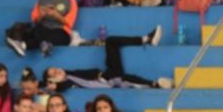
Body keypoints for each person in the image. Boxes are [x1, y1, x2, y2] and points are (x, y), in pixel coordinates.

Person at [42, 27, 170, 91]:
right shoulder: (67, 82)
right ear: (52, 81)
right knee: (121, 77)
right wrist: (54, 86)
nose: (56, 71)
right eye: (53, 74)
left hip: (105, 73)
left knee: (111, 41)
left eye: (55, 69)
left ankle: (145, 39)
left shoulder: (68, 73)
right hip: (106, 81)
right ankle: (153, 84)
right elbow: (62, 86)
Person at [6, 0, 79, 57]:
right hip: (43, 28)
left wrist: (56, 15)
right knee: (37, 29)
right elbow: (35, 20)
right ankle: (43, 44)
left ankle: (24, 45)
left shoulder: (70, 0)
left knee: (54, 36)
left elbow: (69, 23)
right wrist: (42, 15)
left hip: (60, 31)